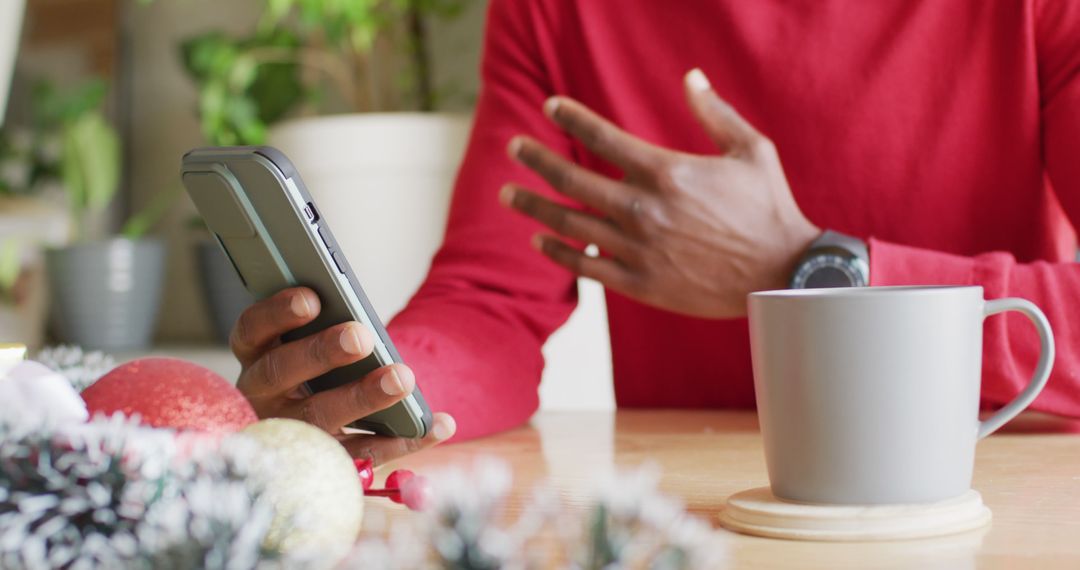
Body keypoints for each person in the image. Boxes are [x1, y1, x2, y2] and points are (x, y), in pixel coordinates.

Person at [228, 0, 1080, 463]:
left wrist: (809, 266)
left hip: (990, 487)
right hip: (697, 513)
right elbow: (490, 300)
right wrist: (372, 385)